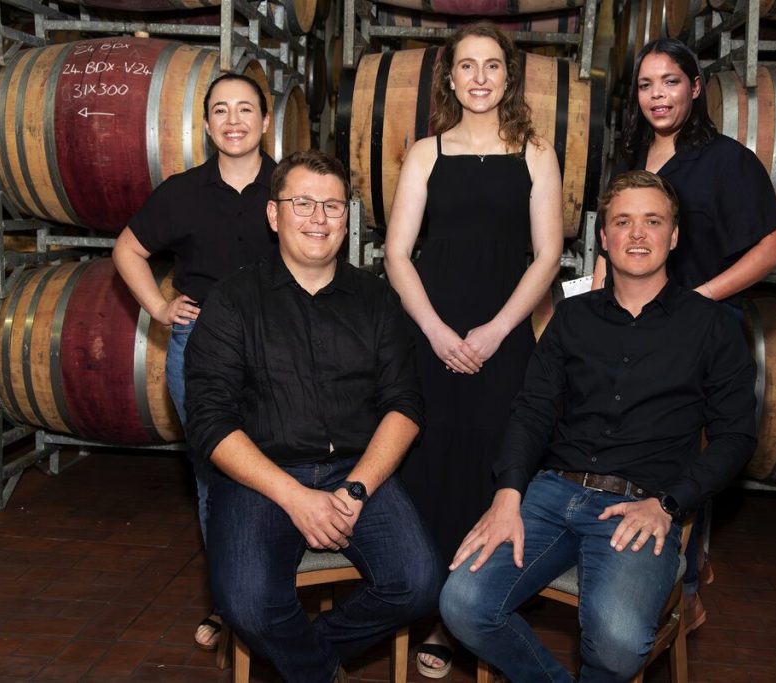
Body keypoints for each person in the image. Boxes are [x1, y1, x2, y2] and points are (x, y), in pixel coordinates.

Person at [440, 170, 758, 682]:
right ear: (604, 238)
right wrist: (507, 495)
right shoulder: (572, 317)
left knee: (617, 643)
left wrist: (670, 503)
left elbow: (737, 437)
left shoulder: (713, 326)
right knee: (462, 604)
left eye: (653, 222)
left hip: (641, 505)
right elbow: (533, 409)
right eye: (623, 222)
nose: (638, 234)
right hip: (549, 493)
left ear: (673, 236)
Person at [182, 150, 441, 683]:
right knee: (249, 603)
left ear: (346, 220)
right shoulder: (233, 299)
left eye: (331, 206)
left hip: (357, 470)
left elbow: (405, 404)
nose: (319, 219)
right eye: (303, 203)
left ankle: (304, 657)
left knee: (419, 582)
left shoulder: (376, 300)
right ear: (274, 215)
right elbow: (208, 420)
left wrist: (356, 490)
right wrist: (295, 497)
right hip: (262, 475)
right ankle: (323, 672)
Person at [383, 22, 564, 678]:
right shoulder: (425, 152)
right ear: (451, 78)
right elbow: (398, 254)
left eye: (492, 65)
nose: (480, 77)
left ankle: (455, 618)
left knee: (492, 465)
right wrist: (434, 330)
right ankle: (422, 594)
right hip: (431, 333)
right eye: (468, 66)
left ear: (508, 78)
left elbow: (547, 256)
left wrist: (496, 330)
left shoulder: (536, 152)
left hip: (503, 333)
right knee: (427, 460)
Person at [592, 37, 776, 627]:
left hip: (699, 328)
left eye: (671, 82)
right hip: (626, 323)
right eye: (647, 84)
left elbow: (775, 244)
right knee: (621, 438)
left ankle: (683, 588)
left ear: (695, 88)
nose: (658, 95)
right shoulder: (631, 158)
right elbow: (611, 241)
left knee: (684, 449)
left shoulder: (726, 159)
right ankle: (625, 551)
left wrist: (698, 298)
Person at [112, 72, 278, 650]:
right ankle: (229, 602)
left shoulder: (289, 186)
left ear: (265, 119)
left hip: (280, 349)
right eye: (221, 111)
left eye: (246, 109)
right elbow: (127, 249)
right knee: (215, 477)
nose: (234, 121)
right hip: (201, 348)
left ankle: (277, 595)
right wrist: (159, 305)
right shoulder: (181, 192)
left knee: (286, 463)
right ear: (206, 125)